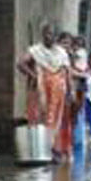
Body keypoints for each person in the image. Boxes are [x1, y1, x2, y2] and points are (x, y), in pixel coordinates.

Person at [18, 24, 71, 162]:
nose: (50, 37)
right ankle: (39, 150)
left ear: (55, 37)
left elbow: (67, 73)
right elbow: (20, 64)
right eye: (47, 34)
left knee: (56, 121)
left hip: (58, 95)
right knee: (39, 119)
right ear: (43, 35)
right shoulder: (35, 51)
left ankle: (55, 150)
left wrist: (69, 92)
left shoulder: (61, 53)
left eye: (52, 34)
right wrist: (34, 75)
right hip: (40, 94)